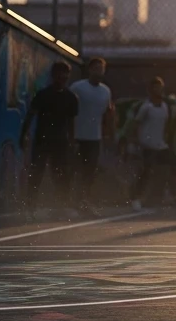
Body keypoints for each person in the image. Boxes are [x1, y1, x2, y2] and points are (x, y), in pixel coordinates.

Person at [20, 60, 78, 218]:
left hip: (61, 141)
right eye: (59, 73)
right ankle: (30, 207)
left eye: (65, 74)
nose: (62, 77)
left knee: (60, 174)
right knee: (36, 173)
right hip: (42, 139)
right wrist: (23, 134)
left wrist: (72, 142)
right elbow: (31, 114)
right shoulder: (43, 94)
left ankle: (61, 206)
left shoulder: (71, 97)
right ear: (53, 75)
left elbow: (71, 122)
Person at [69, 57, 114, 213]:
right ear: (90, 70)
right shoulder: (77, 87)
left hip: (94, 137)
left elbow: (108, 113)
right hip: (77, 136)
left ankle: (84, 201)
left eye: (101, 68)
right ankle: (71, 202)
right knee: (74, 169)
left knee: (90, 171)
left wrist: (109, 133)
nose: (99, 71)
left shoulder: (106, 91)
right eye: (96, 68)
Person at [129, 77, 172, 211]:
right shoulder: (146, 107)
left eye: (159, 87)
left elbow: (166, 125)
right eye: (155, 88)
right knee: (146, 172)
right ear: (150, 90)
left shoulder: (165, 106)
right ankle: (135, 198)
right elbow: (135, 124)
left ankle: (156, 198)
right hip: (147, 144)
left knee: (165, 170)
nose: (157, 90)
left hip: (160, 145)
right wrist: (135, 142)